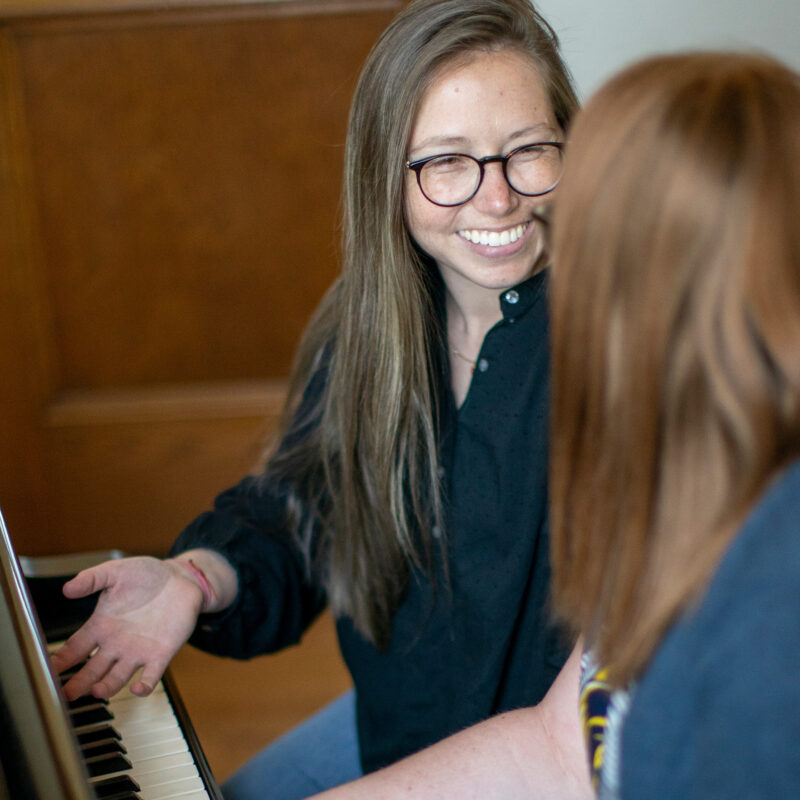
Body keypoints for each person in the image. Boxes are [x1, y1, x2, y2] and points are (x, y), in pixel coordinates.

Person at [51, 1, 580, 798]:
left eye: (528, 151)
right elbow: (302, 515)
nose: (496, 198)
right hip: (399, 726)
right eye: (445, 161)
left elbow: (592, 728)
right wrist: (194, 578)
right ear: (384, 178)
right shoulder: (369, 324)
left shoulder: (623, 344)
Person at [306, 50, 800, 799]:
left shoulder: (764, 617)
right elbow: (563, 745)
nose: (506, 205)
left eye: (591, 252)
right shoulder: (690, 474)